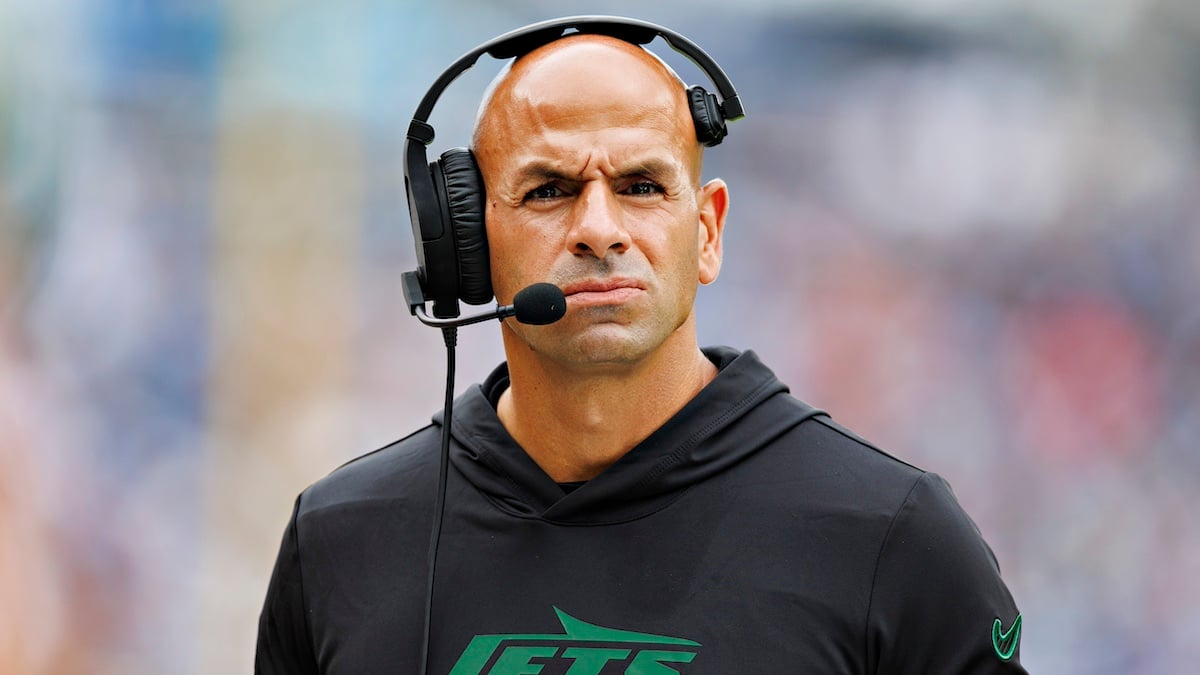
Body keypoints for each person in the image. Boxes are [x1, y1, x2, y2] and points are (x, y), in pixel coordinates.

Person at [256, 17, 1027, 675]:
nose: (599, 228)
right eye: (549, 190)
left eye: (643, 186)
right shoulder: (339, 540)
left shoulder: (896, 538)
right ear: (465, 243)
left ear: (709, 231)